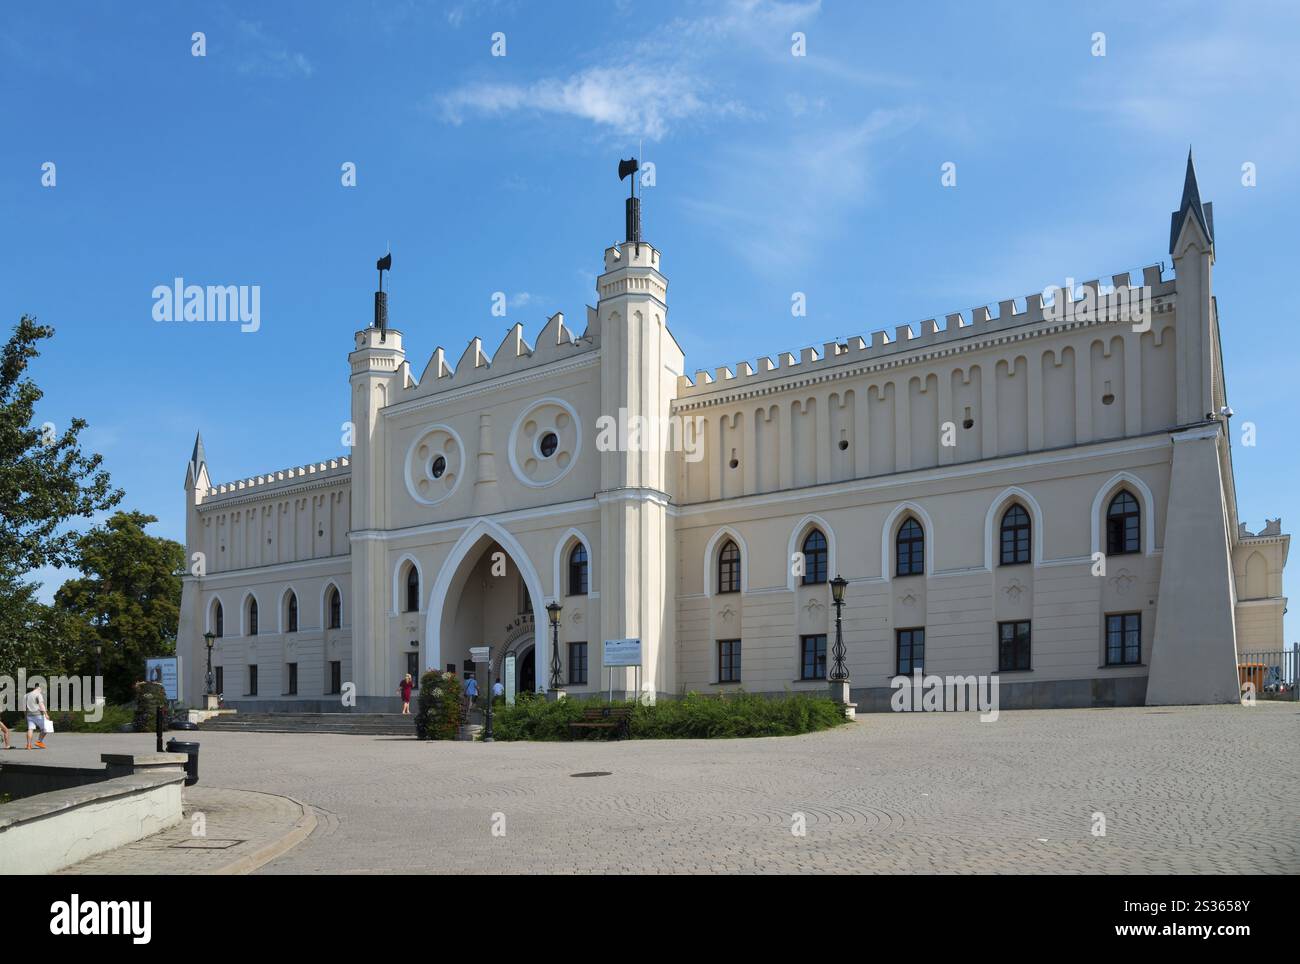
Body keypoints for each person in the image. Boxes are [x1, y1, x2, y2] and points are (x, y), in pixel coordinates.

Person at [26, 682, 49, 750]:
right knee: (46, 728)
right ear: (38, 688)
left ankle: (28, 745)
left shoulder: (27, 695)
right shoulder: (38, 694)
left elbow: (24, 707)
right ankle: (39, 741)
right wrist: (46, 714)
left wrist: (25, 715)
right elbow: (41, 705)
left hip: (29, 714)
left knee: (30, 729)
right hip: (38, 714)